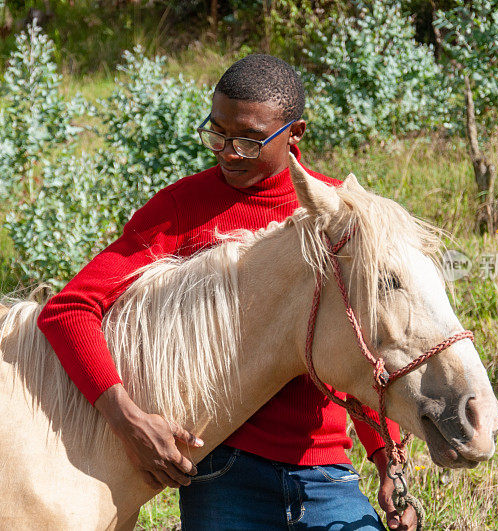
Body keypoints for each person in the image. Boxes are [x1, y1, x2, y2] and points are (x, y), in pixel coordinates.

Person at [37, 54, 418, 531]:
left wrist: (387, 459)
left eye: (249, 140)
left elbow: (363, 339)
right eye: (217, 133)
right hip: (223, 470)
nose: (228, 152)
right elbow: (68, 309)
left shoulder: (335, 213)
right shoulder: (182, 208)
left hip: (325, 474)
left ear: (295, 133)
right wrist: (127, 419)